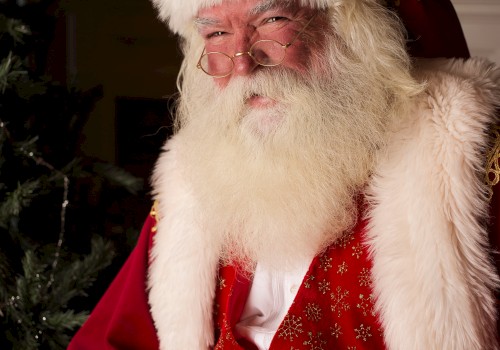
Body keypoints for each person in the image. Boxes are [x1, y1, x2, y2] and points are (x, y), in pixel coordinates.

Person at [69, 0, 500, 349]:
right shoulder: (197, 177)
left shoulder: (471, 174)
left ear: (356, 35)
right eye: (217, 33)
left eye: (273, 20)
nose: (242, 63)